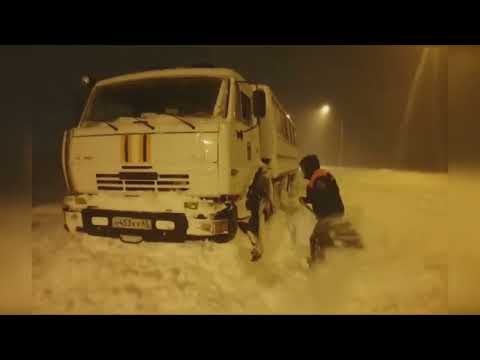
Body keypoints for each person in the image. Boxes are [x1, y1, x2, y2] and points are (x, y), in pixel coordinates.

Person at [299, 154, 346, 265]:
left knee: (315, 239)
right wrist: (306, 200)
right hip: (335, 212)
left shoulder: (319, 179)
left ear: (309, 168)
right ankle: (330, 261)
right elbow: (321, 195)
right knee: (325, 239)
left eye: (303, 169)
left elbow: (322, 195)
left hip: (330, 215)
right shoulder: (322, 176)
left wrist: (308, 200)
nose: (303, 172)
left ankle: (316, 265)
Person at [239, 159, 274, 262]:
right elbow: (268, 193)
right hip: (259, 203)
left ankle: (258, 249)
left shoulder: (262, 175)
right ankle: (257, 247)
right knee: (258, 227)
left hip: (259, 203)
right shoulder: (264, 175)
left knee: (258, 227)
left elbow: (265, 193)